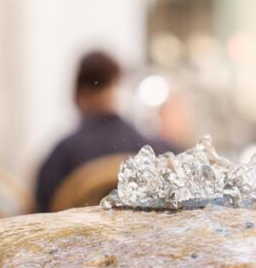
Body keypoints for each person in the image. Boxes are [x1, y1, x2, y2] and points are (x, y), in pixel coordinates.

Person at [34, 50, 173, 211]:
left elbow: (41, 213)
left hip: (80, 235)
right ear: (115, 86)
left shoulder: (62, 155)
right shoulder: (150, 148)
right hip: (137, 235)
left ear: (79, 94)